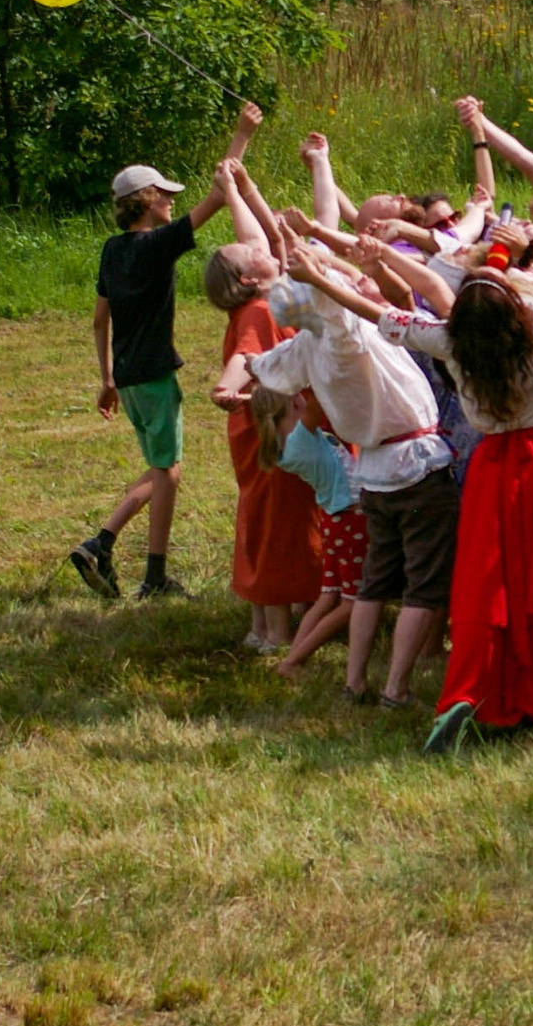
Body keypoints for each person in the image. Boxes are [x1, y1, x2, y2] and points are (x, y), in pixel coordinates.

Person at [331, 222, 533, 752]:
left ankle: (473, 690)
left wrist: (324, 280)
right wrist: (532, 252)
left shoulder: (448, 339)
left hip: (492, 471)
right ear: (516, 304)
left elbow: (380, 314)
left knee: (490, 587)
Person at [245, 243, 458, 709]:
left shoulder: (306, 345)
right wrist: (316, 276)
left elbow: (266, 368)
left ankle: (355, 682)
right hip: (414, 467)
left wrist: (310, 265)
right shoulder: (343, 336)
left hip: (375, 476)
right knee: (423, 585)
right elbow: (334, 309)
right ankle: (395, 689)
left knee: (373, 586)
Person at [68, 101, 262, 600]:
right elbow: (221, 195)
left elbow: (99, 318)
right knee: (168, 471)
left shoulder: (112, 250)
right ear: (148, 199)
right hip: (153, 376)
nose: (173, 202)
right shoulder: (156, 247)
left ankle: (118, 553)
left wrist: (107, 378)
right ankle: (127, 560)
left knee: (163, 467)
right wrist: (241, 134)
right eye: (166, 196)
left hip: (129, 379)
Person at [203, 159, 323, 652]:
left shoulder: (267, 293)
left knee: (271, 522)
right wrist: (225, 389)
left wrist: (239, 188)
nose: (263, 247)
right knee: (276, 526)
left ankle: (271, 622)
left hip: (277, 424)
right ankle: (272, 632)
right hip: (273, 430)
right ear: (249, 278)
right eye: (253, 253)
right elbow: (245, 357)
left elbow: (259, 236)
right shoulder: (258, 309)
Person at [268, 395, 366, 679]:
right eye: (296, 400)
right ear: (290, 409)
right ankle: (294, 660)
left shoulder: (286, 447)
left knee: (328, 597)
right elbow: (320, 399)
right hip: (351, 520)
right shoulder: (301, 438)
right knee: (351, 603)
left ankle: (293, 657)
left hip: (335, 520)